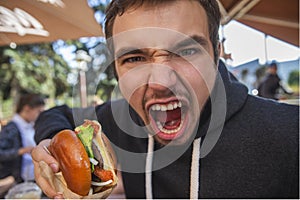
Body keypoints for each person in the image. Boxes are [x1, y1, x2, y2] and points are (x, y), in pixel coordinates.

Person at [31, 0, 299, 199]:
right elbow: (58, 114)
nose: (160, 82)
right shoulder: (124, 118)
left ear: (216, 55)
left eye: (185, 50)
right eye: (135, 58)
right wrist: (54, 143)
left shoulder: (290, 134)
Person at [0, 93, 45, 184]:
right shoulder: (11, 128)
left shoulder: (31, 125)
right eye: (38, 112)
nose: (40, 115)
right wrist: (21, 151)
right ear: (27, 108)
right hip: (16, 180)